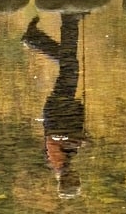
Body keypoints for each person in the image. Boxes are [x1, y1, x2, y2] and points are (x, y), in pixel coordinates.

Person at [22, 13, 87, 199]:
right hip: (63, 108)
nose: (77, 177)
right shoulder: (65, 163)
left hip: (59, 108)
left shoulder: (57, 163)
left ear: (68, 180)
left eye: (75, 180)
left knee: (70, 66)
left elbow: (53, 138)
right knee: (69, 64)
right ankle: (35, 38)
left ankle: (69, 20)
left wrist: (74, 139)